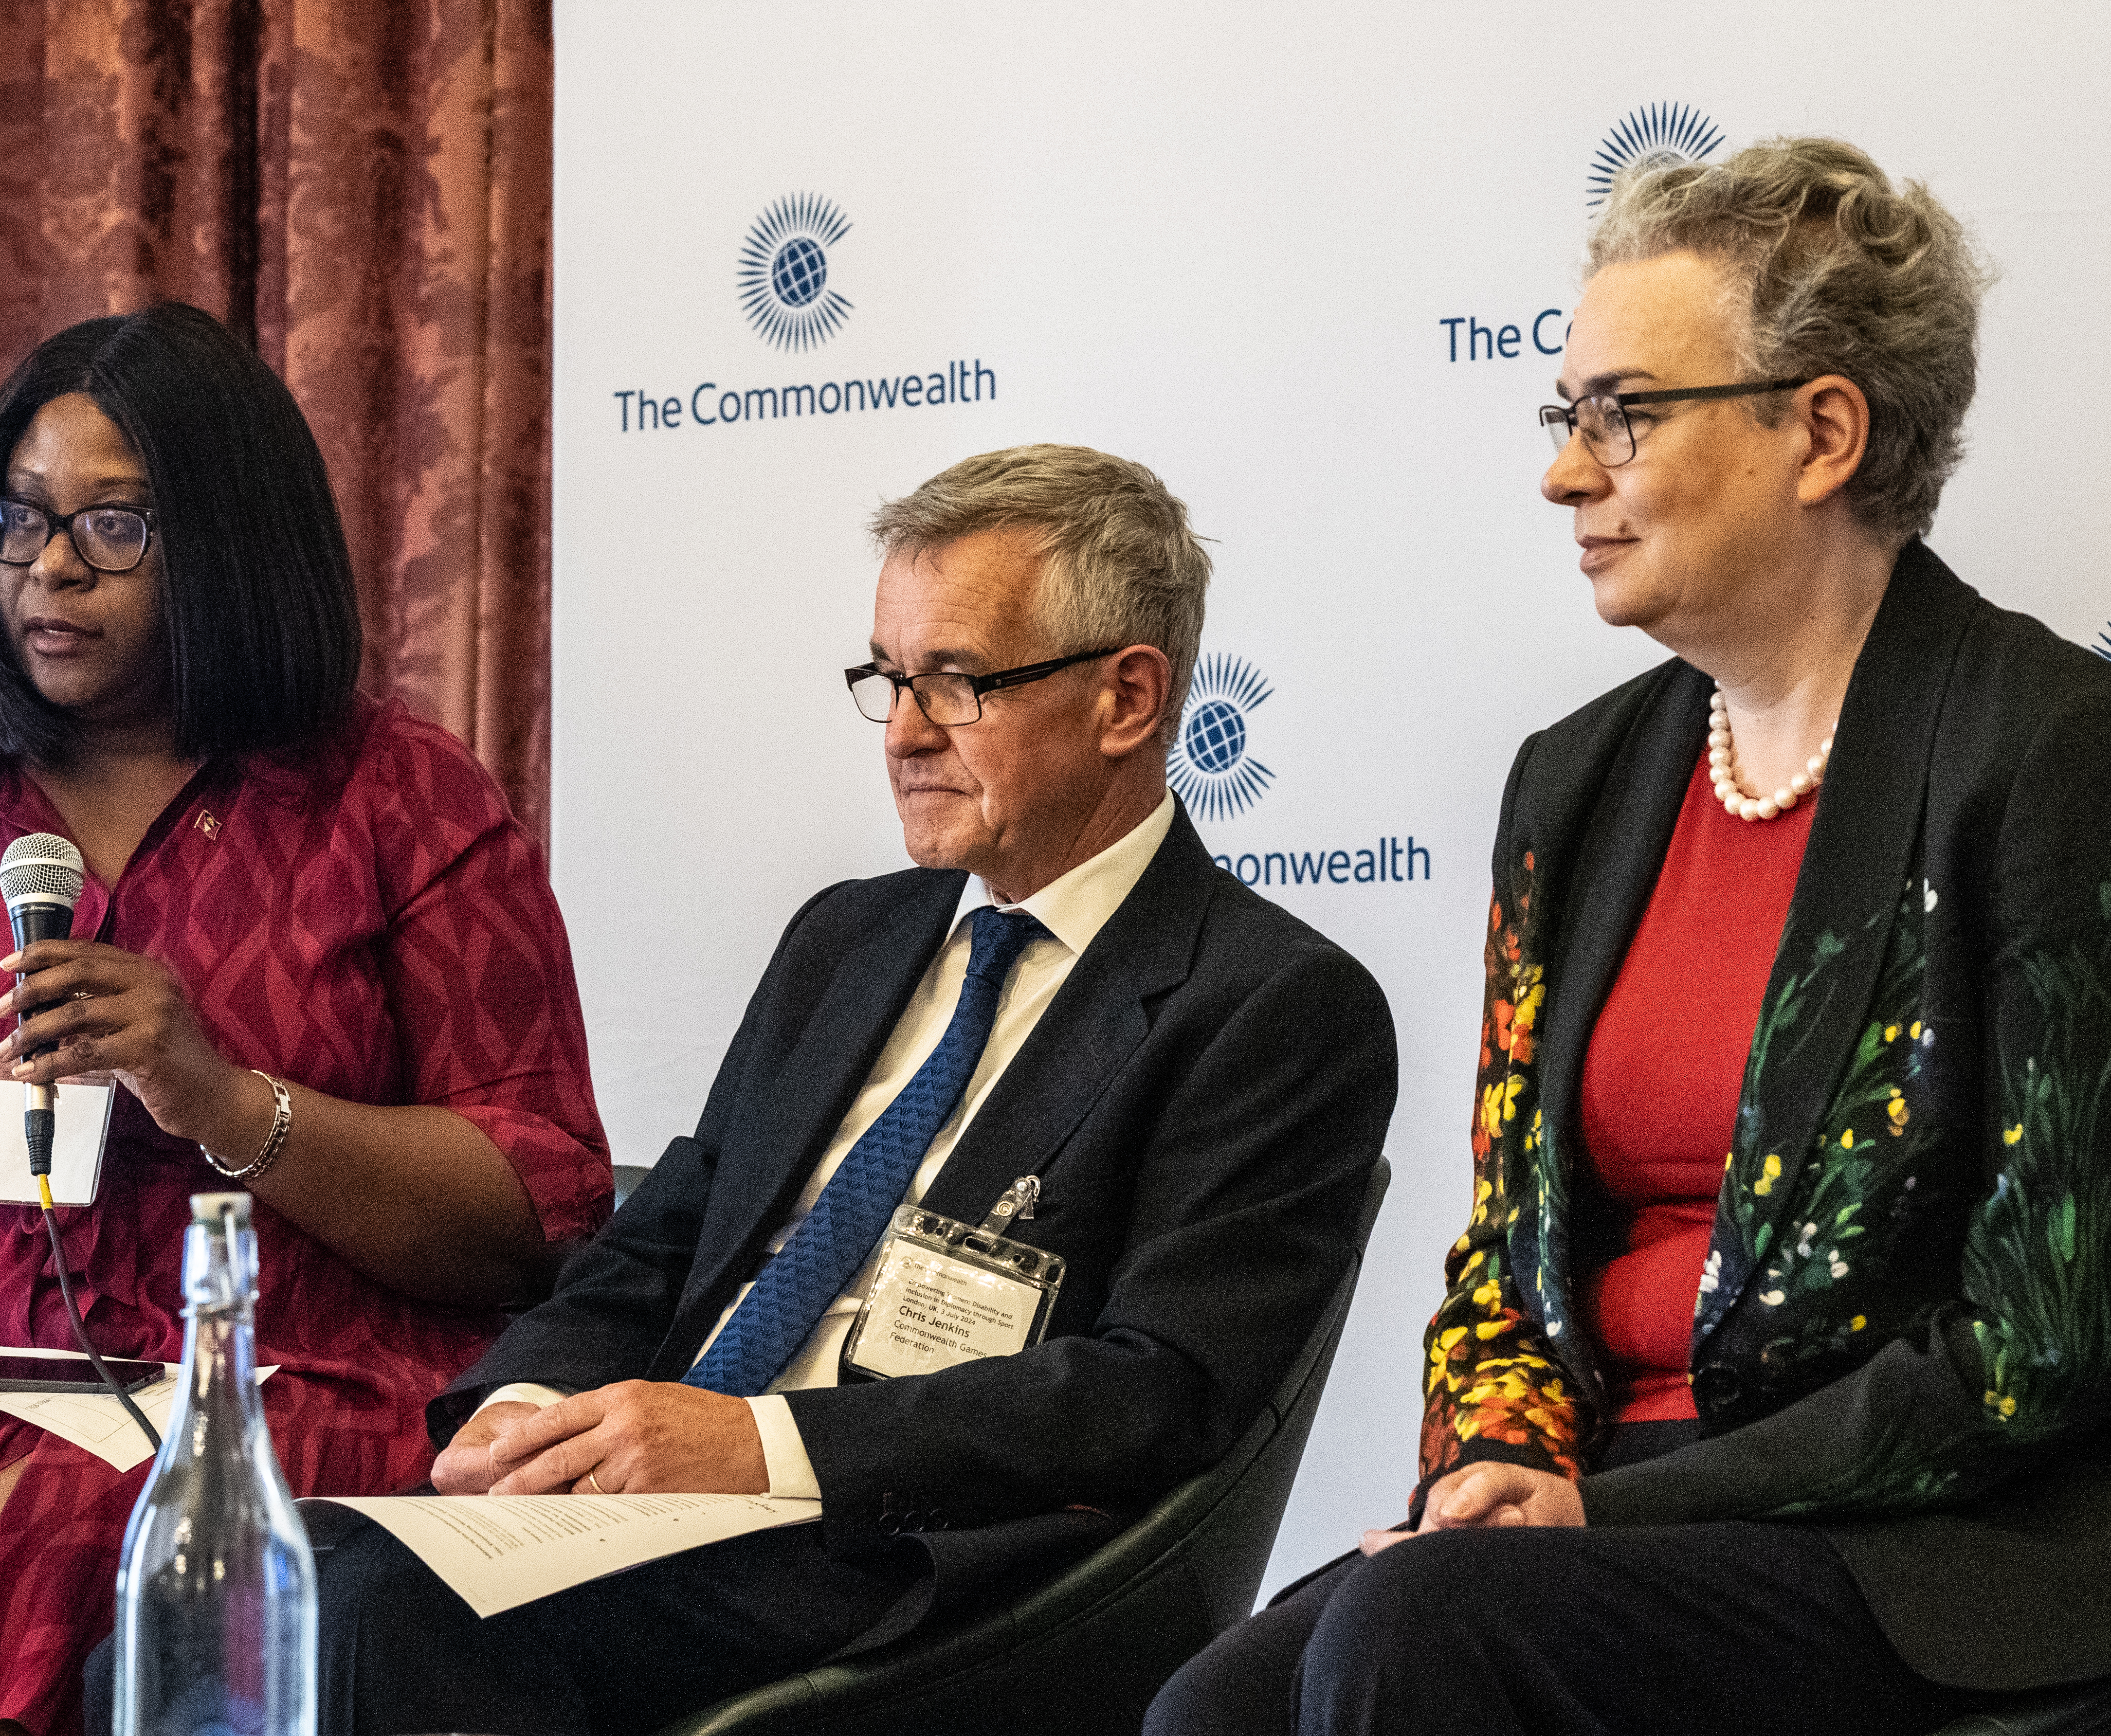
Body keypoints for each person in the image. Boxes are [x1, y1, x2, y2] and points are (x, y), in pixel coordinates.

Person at [1150, 138, 2111, 1736]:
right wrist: (1502, 1456)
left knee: (1416, 1637)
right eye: (1565, 416)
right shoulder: (1576, 784)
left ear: (1823, 432)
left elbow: (2043, 1345)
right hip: (1604, 1502)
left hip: (1946, 1536)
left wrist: (1600, 1515)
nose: (1565, 473)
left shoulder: (2055, 754)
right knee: (1214, 1710)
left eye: (1624, 414)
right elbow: (1509, 1252)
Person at [165, 443, 1397, 1736]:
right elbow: (663, 1241)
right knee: (225, 1599)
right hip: (651, 1519)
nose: (904, 732)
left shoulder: (1269, 1004)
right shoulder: (848, 939)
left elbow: (1151, 1391)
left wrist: (757, 1446)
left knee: (372, 1615)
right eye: (889, 680)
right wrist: (522, 1411)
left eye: (957, 683)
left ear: (1127, 698)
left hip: (909, 1560)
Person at [0, 302, 614, 1736]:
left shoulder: (402, 801)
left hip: (274, 1366)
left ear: (230, 540)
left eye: (114, 527)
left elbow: (538, 1209)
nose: (49, 568)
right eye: (17, 520)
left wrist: (221, 1098)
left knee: (59, 1535)